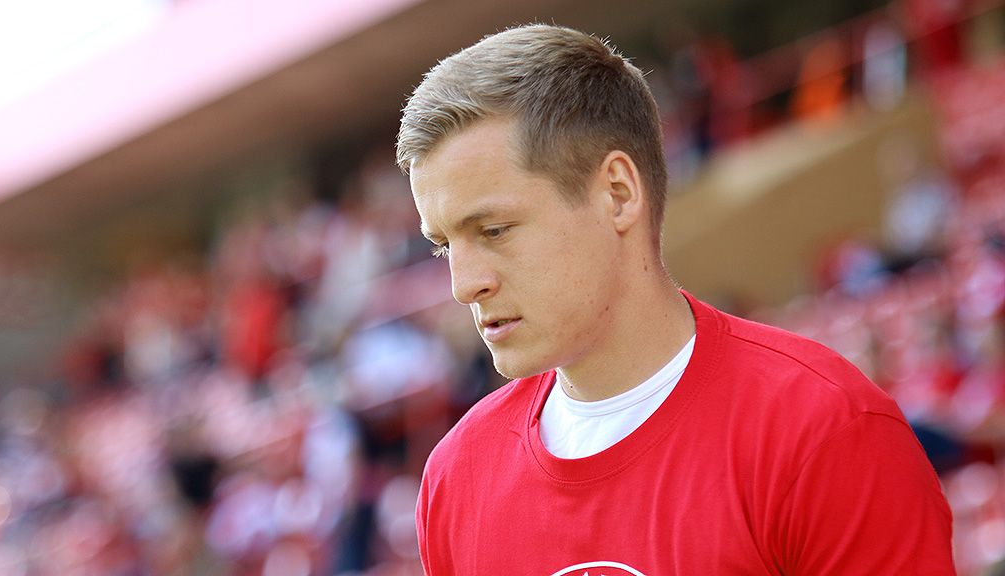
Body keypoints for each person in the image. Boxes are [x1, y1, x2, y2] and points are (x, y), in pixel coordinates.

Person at [396, 24, 955, 575]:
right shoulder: (456, 480)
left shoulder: (822, 429)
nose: (463, 285)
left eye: (494, 231)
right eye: (444, 246)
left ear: (617, 194)